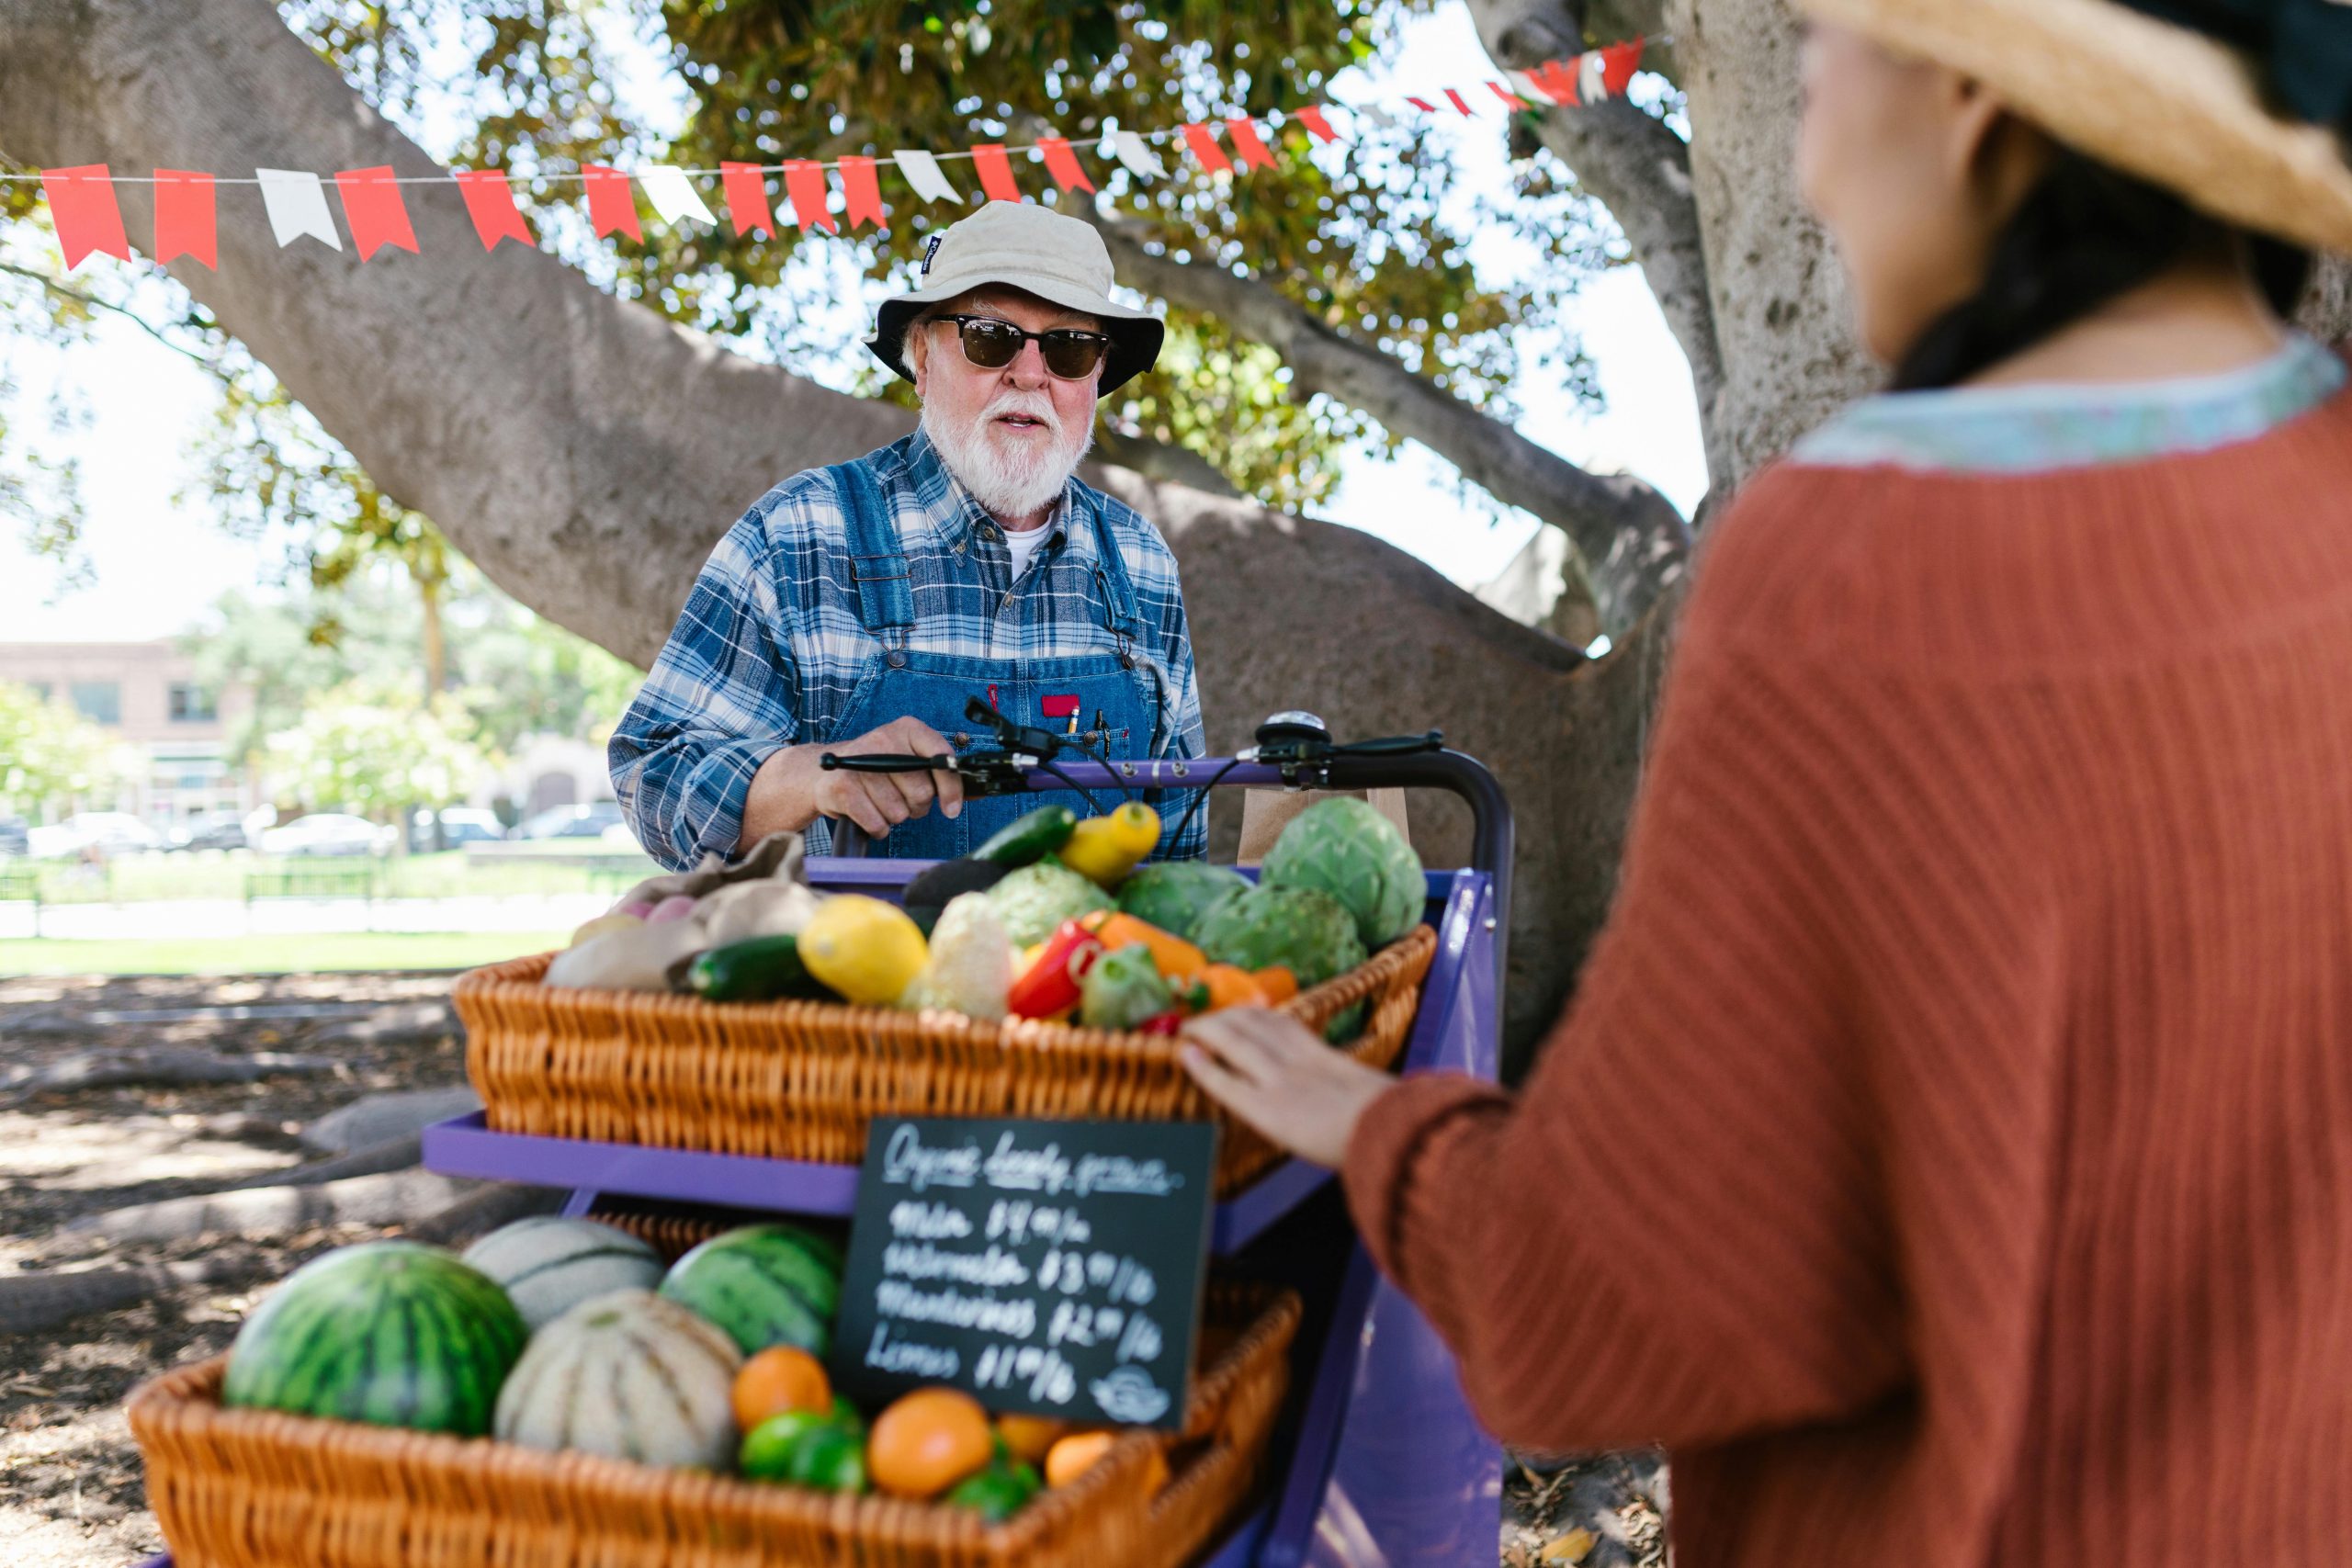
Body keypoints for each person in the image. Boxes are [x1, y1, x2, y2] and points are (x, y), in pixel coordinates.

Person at [1182, 2, 2352, 1562]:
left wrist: (1384, 1129)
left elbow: (1616, 1296)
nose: (1804, 162)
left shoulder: (1860, 561)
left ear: (1972, 100)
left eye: (1816, 64)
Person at [610, 202, 1206, 867]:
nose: (1031, 373)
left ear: (1095, 377)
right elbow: (654, 775)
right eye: (991, 336)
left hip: (1085, 969)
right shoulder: (799, 533)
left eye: (1068, 347)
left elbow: (1179, 845)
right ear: (922, 356)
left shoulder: (1140, 561)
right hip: (854, 969)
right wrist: (814, 776)